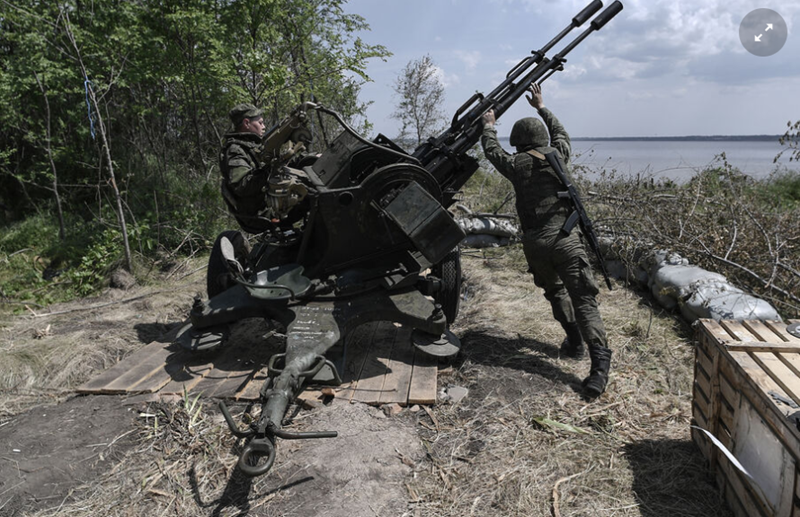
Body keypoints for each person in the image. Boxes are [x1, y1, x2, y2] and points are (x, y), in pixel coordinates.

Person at [480, 83, 612, 397]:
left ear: (518, 141)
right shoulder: (559, 155)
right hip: (567, 242)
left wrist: (488, 126)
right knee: (585, 302)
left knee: (555, 292)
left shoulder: (515, 166)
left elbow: (491, 151)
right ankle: (599, 369)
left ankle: (574, 342)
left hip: (536, 245)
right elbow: (562, 135)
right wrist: (541, 106)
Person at [219, 103, 270, 229]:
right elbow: (242, 185)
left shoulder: (254, 145)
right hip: (260, 213)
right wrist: (269, 170)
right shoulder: (235, 150)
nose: (264, 127)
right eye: (260, 123)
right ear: (247, 123)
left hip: (270, 203)